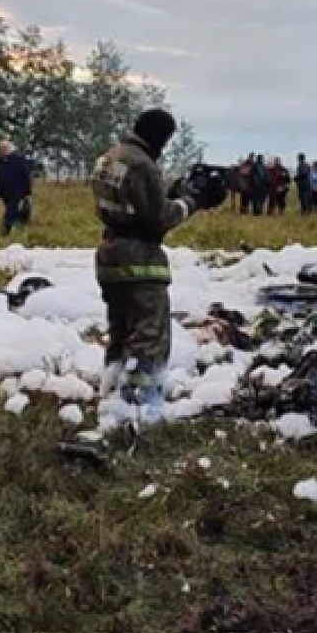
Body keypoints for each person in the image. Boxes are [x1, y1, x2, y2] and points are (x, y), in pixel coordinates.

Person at [91, 109, 220, 421]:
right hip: (140, 260)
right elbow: (157, 219)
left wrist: (169, 192)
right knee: (149, 333)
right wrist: (192, 201)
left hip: (110, 254)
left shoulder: (109, 158)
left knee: (120, 330)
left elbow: (130, 203)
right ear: (161, 136)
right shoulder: (142, 165)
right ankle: (139, 404)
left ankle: (110, 392)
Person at [0, 138, 34, 236]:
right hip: (5, 192)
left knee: (10, 212)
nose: (2, 150)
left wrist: (28, 192)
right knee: (13, 211)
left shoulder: (19, 160)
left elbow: (26, 176)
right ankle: (20, 226)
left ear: (10, 148)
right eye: (1, 148)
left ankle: (4, 233)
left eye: (4, 148)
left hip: (17, 191)